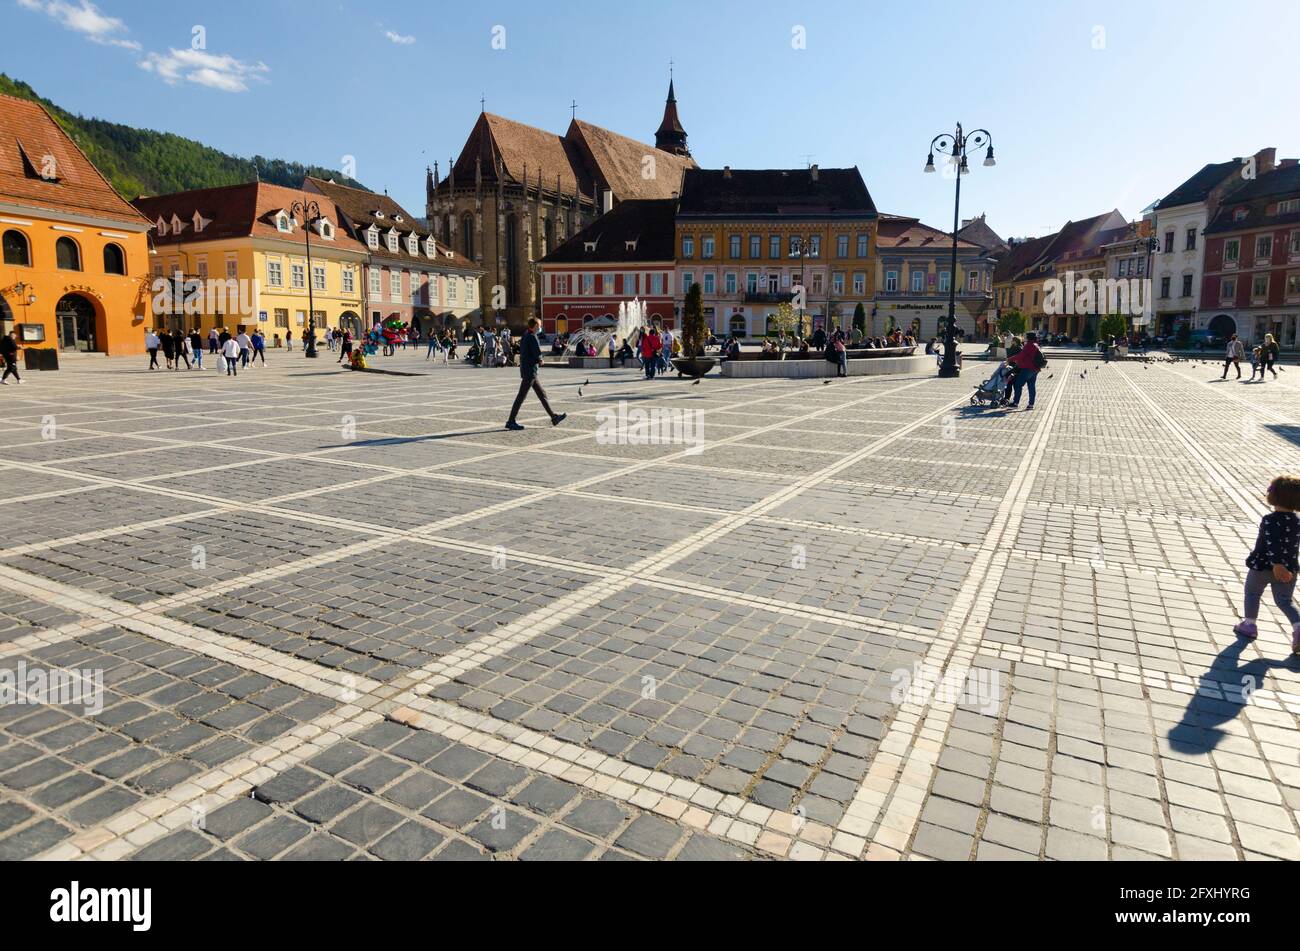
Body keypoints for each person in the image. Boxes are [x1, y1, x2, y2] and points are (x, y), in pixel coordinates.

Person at [1234, 474, 1300, 655]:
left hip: (1264, 566)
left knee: (1252, 592)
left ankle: (1249, 625)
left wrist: (1276, 564)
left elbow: (1272, 542)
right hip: (1289, 569)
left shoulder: (1270, 520)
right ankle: (1298, 628)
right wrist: (1286, 566)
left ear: (1274, 496)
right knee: (1285, 601)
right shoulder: (1297, 521)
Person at [506, 317, 566, 431]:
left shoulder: (526, 335)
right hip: (530, 371)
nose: (540, 327)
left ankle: (554, 417)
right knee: (521, 397)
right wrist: (540, 360)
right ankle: (510, 421)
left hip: (528, 370)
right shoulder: (532, 336)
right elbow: (536, 352)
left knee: (542, 394)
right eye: (539, 325)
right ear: (534, 326)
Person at [1008, 332, 1045, 410]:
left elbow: (1021, 355)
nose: (1024, 337)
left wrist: (1010, 359)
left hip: (1028, 368)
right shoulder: (1036, 344)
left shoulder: (1028, 345)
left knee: (1018, 384)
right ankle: (1031, 404)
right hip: (1035, 369)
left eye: (1025, 336)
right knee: (1031, 386)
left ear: (1028, 337)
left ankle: (1015, 403)